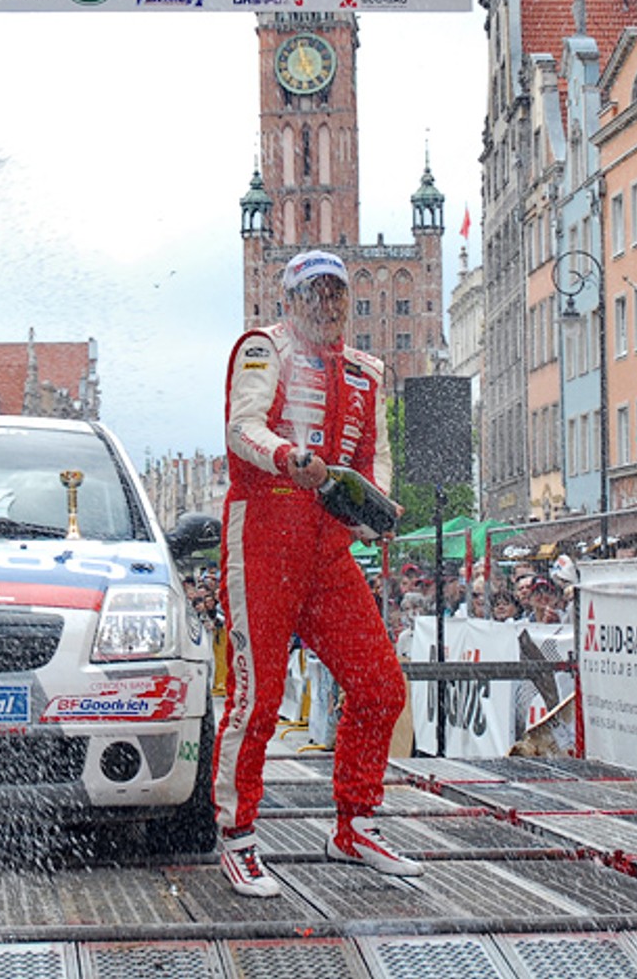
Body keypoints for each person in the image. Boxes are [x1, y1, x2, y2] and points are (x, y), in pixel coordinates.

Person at [214, 249, 419, 897]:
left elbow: (373, 454)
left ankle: (354, 825)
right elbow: (240, 427)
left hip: (328, 548)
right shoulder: (262, 349)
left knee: (381, 684)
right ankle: (237, 835)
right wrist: (284, 455)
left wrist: (373, 508)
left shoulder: (366, 370)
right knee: (258, 698)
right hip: (265, 539)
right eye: (314, 293)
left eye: (336, 293)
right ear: (292, 297)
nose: (326, 305)